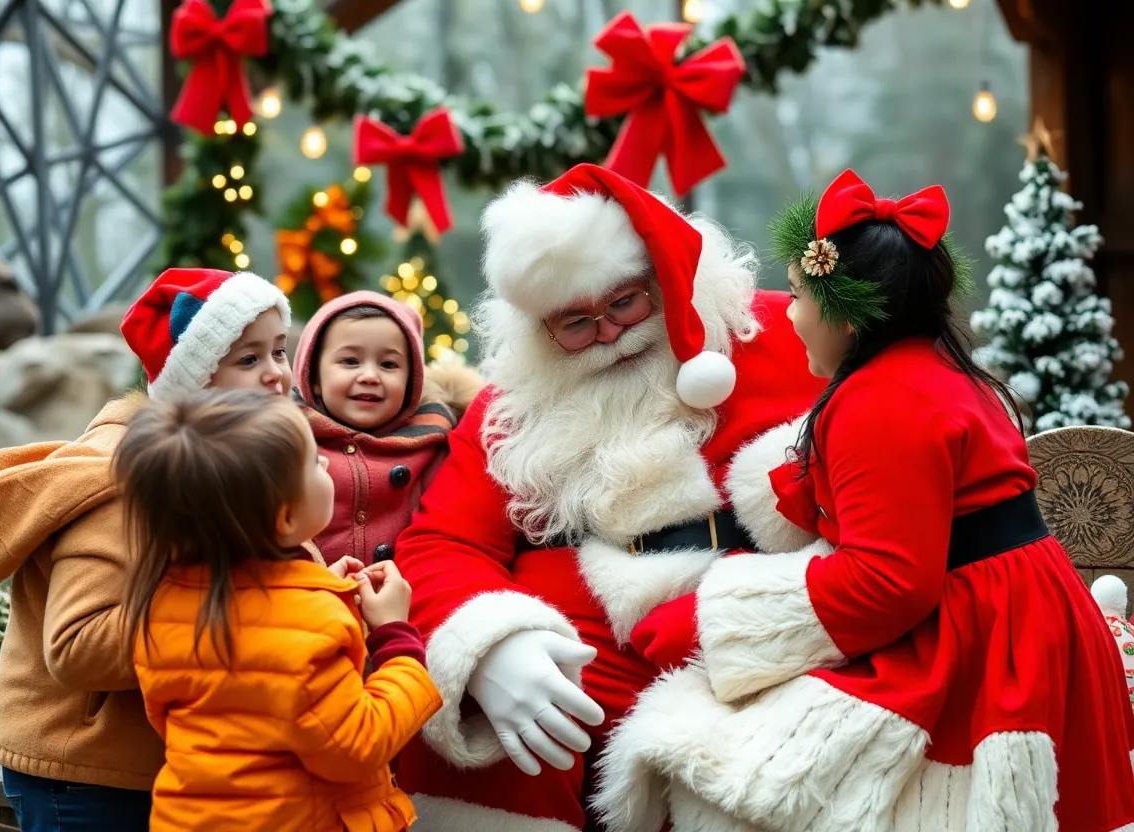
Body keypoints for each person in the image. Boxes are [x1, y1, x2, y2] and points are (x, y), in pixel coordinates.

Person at [594, 170, 1134, 832]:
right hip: (1020, 617)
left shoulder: (878, 402)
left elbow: (887, 583)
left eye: (798, 296)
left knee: (739, 775)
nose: (790, 315)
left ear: (845, 315)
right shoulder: (938, 372)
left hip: (984, 645)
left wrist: (715, 624)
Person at [389, 163, 825, 831]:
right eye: (576, 322)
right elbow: (443, 541)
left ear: (662, 276)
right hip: (586, 653)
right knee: (474, 740)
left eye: (625, 302)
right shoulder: (513, 405)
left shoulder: (782, 334)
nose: (611, 332)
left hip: (771, 634)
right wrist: (493, 645)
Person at [0, 268, 292, 831]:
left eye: (279, 351)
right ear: (193, 378)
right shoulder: (128, 484)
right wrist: (242, 609)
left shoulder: (233, 466)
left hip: (167, 766)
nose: (276, 374)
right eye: (249, 359)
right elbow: (78, 647)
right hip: (86, 772)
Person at [115, 390, 441, 831]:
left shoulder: (165, 602)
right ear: (285, 519)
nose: (324, 461)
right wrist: (397, 639)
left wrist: (321, 589)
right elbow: (357, 745)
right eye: (312, 462)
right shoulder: (311, 621)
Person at [292, 291, 484, 566]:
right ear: (314, 377)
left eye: (388, 364)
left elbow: (452, 531)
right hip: (311, 588)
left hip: (409, 586)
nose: (370, 376)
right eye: (350, 361)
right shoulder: (289, 441)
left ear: (411, 382)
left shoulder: (435, 443)